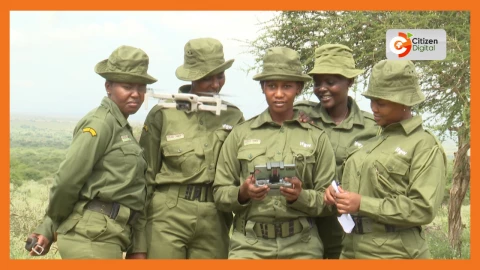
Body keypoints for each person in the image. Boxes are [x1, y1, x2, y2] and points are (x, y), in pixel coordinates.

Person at [27, 45, 157, 259]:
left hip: (109, 236)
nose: (136, 94)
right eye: (127, 86)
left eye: (141, 87)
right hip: (89, 238)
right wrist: (50, 225)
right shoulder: (100, 123)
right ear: (109, 86)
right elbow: (68, 181)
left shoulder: (120, 127)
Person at [213, 47, 336, 259]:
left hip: (302, 245)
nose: (279, 94)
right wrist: (243, 193)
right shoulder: (241, 134)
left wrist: (300, 196)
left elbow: (329, 200)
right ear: (262, 87)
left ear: (298, 88)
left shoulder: (316, 137)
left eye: (287, 86)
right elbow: (219, 193)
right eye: (271, 86)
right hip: (249, 245)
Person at [126, 37, 244, 259]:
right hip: (167, 215)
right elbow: (144, 180)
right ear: (193, 77)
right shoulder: (164, 114)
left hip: (215, 217)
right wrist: (138, 244)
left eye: (220, 76)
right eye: (207, 78)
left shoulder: (234, 116)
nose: (216, 85)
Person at [324, 59, 447, 259]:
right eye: (372, 100)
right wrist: (336, 192)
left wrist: (362, 204)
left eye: (381, 103)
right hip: (351, 249)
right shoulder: (371, 142)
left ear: (405, 102)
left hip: (394, 252)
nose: (374, 108)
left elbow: (423, 209)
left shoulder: (423, 145)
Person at [294, 44, 379, 259]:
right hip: (305, 225)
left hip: (351, 229)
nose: (322, 88)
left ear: (349, 81)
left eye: (330, 82)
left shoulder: (372, 128)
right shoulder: (300, 117)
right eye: (317, 83)